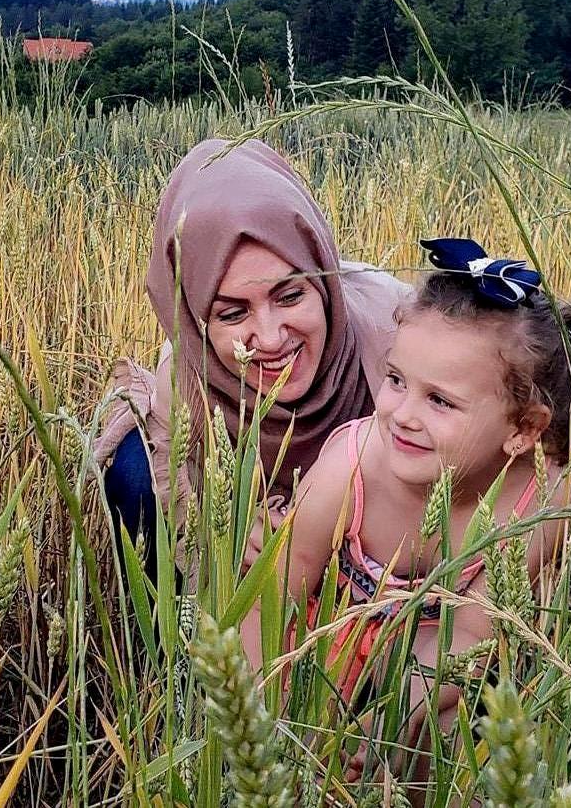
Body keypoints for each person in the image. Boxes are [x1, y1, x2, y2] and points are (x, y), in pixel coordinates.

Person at [241, 236, 571, 726]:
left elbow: (470, 637)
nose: (401, 415)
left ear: (523, 429)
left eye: (440, 401)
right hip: (313, 641)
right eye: (396, 380)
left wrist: (387, 721)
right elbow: (276, 586)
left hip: (428, 665)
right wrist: (261, 707)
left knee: (449, 729)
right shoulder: (354, 462)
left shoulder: (536, 504)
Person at [94, 138, 410, 572]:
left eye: (290, 295)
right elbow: (190, 519)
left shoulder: (396, 328)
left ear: (324, 284)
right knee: (135, 470)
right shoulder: (187, 377)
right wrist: (227, 541)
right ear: (194, 321)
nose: (271, 337)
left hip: (383, 561)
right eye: (233, 312)